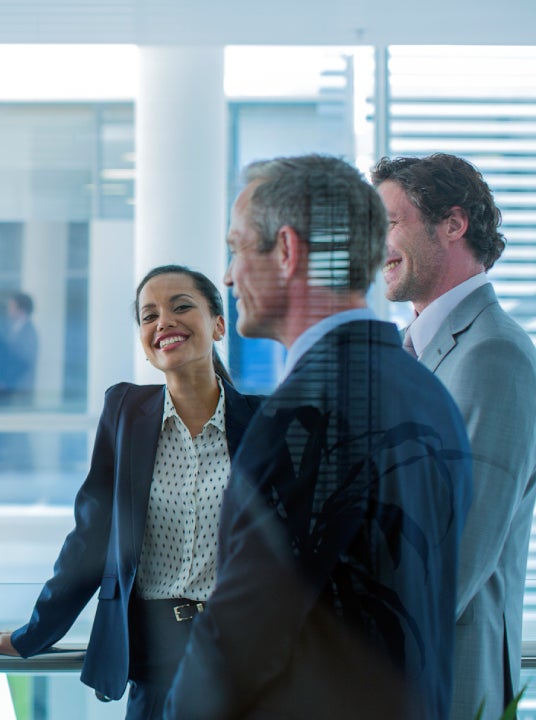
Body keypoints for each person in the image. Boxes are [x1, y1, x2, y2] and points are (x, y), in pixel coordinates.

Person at [164, 154, 472, 720]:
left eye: (237, 248)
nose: (228, 276)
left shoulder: (303, 417)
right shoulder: (429, 396)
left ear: (286, 250)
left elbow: (233, 651)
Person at [0, 266, 260, 720]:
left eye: (182, 306)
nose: (164, 321)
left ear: (218, 324)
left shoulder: (265, 424)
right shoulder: (126, 412)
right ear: (146, 344)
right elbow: (90, 538)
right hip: (155, 656)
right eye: (149, 315)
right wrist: (34, 634)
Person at [372, 153, 536, 720]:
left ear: (453, 223)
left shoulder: (493, 354)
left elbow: (456, 556)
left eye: (389, 223)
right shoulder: (410, 355)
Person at [3, 292, 38, 405]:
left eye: (11, 306)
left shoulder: (29, 333)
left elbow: (24, 362)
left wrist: (6, 380)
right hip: (13, 386)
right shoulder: (13, 328)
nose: (8, 310)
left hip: (21, 387)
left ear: (21, 309)